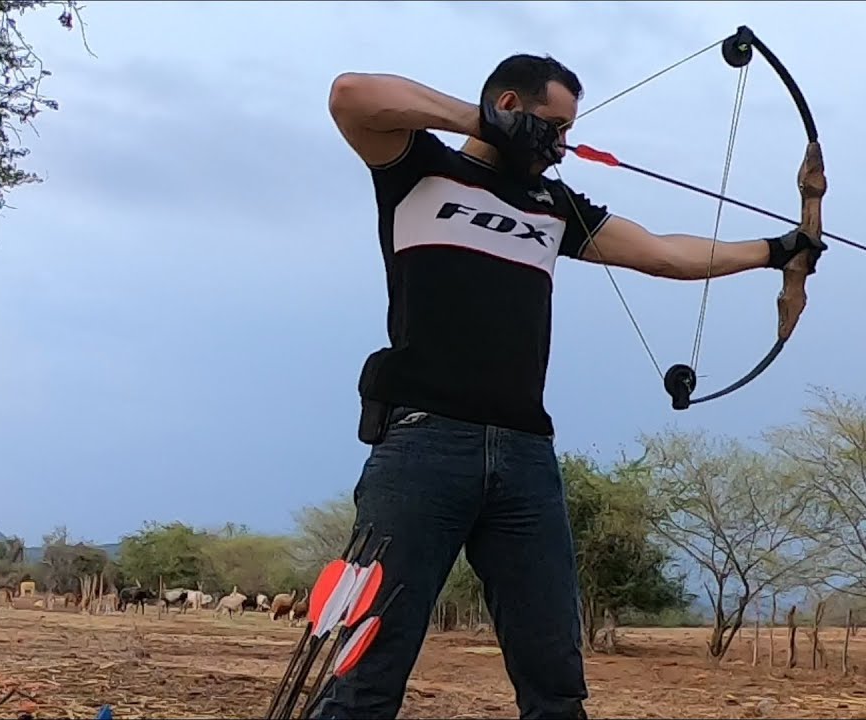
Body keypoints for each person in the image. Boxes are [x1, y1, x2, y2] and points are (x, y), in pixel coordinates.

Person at [314, 54, 824, 720]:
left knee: (554, 679)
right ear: (509, 103)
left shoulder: (553, 206)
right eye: (550, 128)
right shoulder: (419, 170)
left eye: (564, 132)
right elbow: (351, 95)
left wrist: (780, 249)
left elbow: (665, 253)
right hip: (422, 443)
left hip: (526, 458)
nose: (559, 145)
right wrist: (484, 124)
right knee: (366, 671)